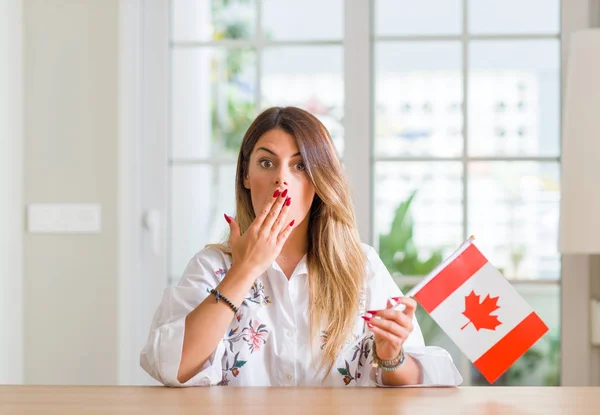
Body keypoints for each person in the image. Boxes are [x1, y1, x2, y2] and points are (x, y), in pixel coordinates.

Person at [140, 106, 463, 387]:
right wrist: (245, 269)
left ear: (320, 179)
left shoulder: (360, 265)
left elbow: (419, 375)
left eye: (299, 166)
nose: (282, 179)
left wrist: (391, 356)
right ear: (246, 176)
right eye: (267, 163)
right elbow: (173, 368)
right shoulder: (211, 266)